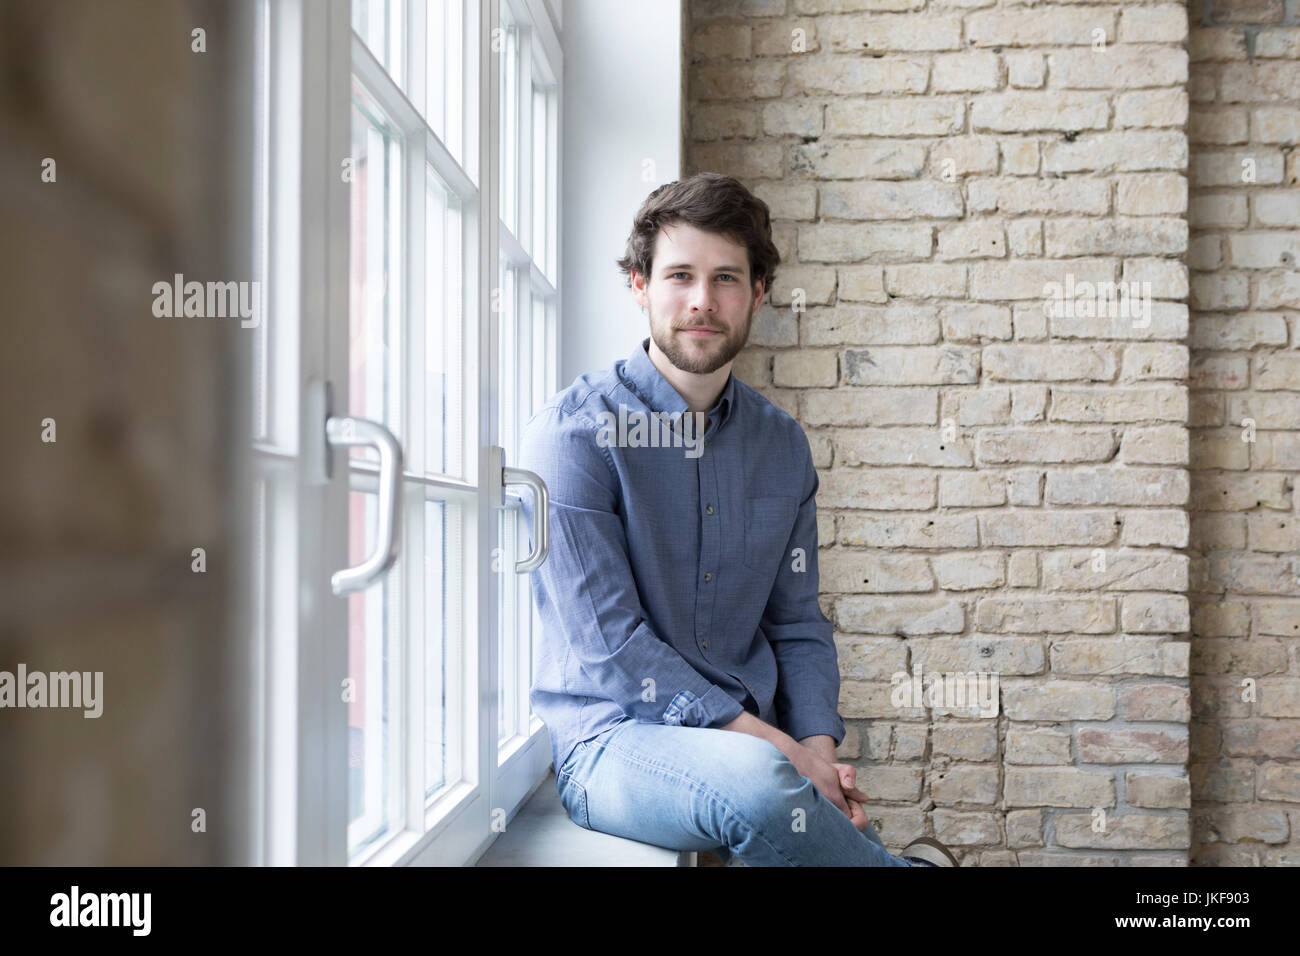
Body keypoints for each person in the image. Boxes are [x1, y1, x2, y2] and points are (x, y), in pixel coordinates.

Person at [518, 172, 959, 867]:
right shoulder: (573, 436)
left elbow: (797, 622)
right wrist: (780, 751)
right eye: (679, 275)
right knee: (764, 788)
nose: (702, 301)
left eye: (726, 278)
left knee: (791, 803)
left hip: (760, 741)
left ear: (757, 293)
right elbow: (613, 649)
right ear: (640, 285)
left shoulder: (781, 444)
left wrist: (815, 746)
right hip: (613, 741)